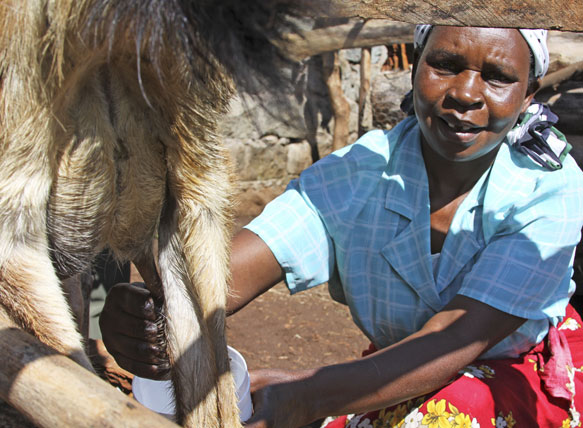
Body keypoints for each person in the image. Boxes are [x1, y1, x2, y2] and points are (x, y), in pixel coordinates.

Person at [99, 26, 583, 427]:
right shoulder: (362, 172)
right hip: (392, 369)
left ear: (526, 96)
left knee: (454, 413)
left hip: (516, 375)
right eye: (446, 64)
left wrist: (307, 394)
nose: (465, 94)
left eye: (498, 77)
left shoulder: (548, 188)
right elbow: (222, 278)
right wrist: (155, 315)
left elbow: (457, 337)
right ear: (415, 68)